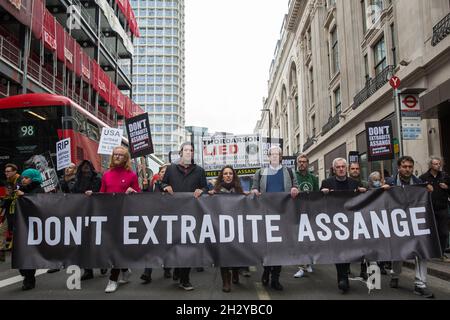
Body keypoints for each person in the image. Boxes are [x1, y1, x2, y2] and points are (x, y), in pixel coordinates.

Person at [383, 156, 434, 298]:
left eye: (410, 167)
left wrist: (429, 191)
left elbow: (426, 202)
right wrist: (383, 191)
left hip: (416, 223)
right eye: (404, 166)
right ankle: (395, 274)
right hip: (397, 223)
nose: (407, 169)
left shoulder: (419, 183)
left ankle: (420, 284)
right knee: (399, 252)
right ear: (399, 168)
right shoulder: (390, 182)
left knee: (421, 251)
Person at [161, 142, 208, 291]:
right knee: (175, 244)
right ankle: (178, 270)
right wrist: (164, 187)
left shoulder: (199, 171)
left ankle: (185, 278)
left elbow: (205, 187)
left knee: (189, 246)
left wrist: (202, 190)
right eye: (186, 150)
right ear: (180, 153)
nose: (188, 152)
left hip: (192, 215)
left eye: (191, 150)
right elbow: (161, 184)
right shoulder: (171, 169)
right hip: (173, 214)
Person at [251, 145, 299, 291]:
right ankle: (266, 270)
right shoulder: (260, 173)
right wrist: (254, 191)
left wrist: (295, 189)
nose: (274, 156)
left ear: (281, 156)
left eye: (277, 154)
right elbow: (254, 188)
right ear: (268, 156)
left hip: (283, 214)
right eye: (272, 154)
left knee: (279, 247)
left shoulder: (290, 172)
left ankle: (275, 278)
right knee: (267, 246)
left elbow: (296, 187)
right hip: (265, 214)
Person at [98, 146, 141, 293]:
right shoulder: (106, 174)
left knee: (116, 247)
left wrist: (133, 192)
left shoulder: (131, 175)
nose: (117, 157)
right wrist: (92, 196)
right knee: (111, 247)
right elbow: (102, 194)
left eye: (121, 155)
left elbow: (139, 195)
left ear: (126, 159)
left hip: (124, 216)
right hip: (109, 216)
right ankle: (124, 268)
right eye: (115, 154)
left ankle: (113, 279)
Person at [320, 157, 366, 293]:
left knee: (348, 249)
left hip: (350, 221)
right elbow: (318, 201)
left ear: (346, 169)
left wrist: (364, 191)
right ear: (334, 170)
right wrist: (323, 193)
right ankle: (342, 277)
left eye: (343, 167)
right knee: (338, 250)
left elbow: (364, 199)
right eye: (338, 167)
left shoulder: (354, 183)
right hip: (334, 222)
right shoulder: (326, 182)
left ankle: (344, 274)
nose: (341, 169)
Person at [209, 165, 246, 292]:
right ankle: (226, 281)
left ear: (233, 176)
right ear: (222, 176)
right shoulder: (216, 190)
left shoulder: (239, 190)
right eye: (225, 173)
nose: (228, 175)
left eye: (230, 173)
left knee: (236, 252)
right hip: (221, 227)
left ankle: (235, 271)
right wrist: (209, 195)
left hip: (236, 226)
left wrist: (249, 196)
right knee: (223, 254)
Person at [71, 160, 105, 281]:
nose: (85, 171)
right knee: (84, 243)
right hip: (82, 214)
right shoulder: (77, 181)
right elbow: (73, 193)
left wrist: (93, 193)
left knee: (98, 241)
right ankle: (88, 270)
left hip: (96, 213)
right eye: (83, 169)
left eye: (87, 168)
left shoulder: (97, 180)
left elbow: (101, 193)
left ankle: (102, 263)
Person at [140, 163, 171, 283]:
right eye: (162, 171)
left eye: (167, 172)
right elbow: (144, 197)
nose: (164, 174)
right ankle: (147, 272)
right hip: (154, 220)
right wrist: (144, 187)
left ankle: (167, 268)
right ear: (159, 173)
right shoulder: (153, 185)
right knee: (151, 246)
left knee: (167, 246)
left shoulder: (173, 186)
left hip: (168, 220)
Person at [15, 168, 44, 290]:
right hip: (22, 225)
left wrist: (25, 196)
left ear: (33, 178)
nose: (24, 180)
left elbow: (39, 204)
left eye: (27, 178)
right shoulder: (20, 189)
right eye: (23, 178)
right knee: (21, 252)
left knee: (29, 253)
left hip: (34, 226)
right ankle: (26, 274)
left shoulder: (39, 189)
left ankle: (29, 279)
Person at [293, 154, 318, 278]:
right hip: (297, 212)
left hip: (310, 212)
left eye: (304, 161)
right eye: (300, 161)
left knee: (309, 240)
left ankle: (308, 263)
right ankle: (301, 267)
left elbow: (317, 194)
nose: (302, 163)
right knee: (300, 240)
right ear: (297, 163)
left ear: (308, 163)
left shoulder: (313, 178)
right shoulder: (293, 176)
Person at [419, 156, 450, 261]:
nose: (438, 165)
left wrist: (447, 187)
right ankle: (431, 252)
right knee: (431, 231)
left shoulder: (445, 176)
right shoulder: (423, 177)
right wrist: (425, 189)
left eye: (439, 163)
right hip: (429, 208)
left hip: (442, 207)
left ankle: (441, 252)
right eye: (436, 164)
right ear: (430, 165)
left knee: (444, 232)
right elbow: (417, 192)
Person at [0, 163, 21, 261]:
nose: (6, 173)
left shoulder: (20, 180)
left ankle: (21, 253)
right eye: (5, 171)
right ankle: (1, 255)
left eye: (8, 171)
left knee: (18, 233)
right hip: (9, 211)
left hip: (19, 212)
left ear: (14, 171)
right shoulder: (8, 182)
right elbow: (7, 197)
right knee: (2, 230)